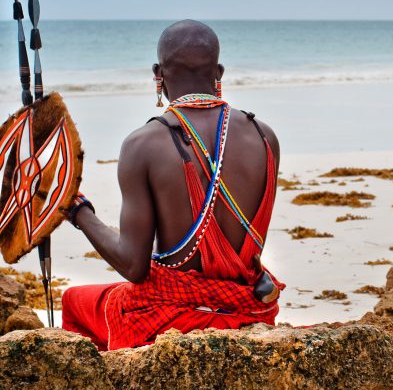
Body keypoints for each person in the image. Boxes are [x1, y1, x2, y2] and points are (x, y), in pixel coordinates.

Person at [61, 20, 283, 351]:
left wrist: (79, 212)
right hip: (248, 309)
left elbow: (134, 267)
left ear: (157, 74)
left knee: (74, 299)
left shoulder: (143, 144)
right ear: (218, 72)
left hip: (171, 320)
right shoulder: (265, 137)